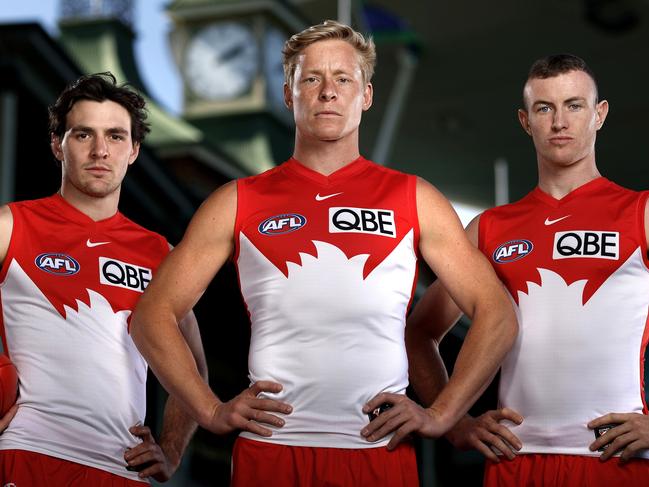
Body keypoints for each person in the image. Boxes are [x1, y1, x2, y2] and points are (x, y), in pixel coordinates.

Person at [130, 20, 517, 487]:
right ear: (289, 94)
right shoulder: (237, 200)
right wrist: (211, 410)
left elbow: (497, 313)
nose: (327, 92)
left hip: (377, 452)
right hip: (272, 452)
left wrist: (445, 416)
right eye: (311, 79)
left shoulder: (414, 198)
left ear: (366, 95)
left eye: (343, 79)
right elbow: (152, 314)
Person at [407, 53, 649, 486]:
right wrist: (456, 423)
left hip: (616, 460)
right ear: (525, 120)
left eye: (574, 105)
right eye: (544, 108)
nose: (560, 121)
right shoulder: (489, 229)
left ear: (600, 115)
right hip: (515, 462)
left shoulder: (640, 212)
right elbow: (420, 333)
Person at [0, 72, 208, 485]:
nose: (100, 151)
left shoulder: (159, 254)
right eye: (83, 135)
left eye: (115, 136)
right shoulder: (11, 225)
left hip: (121, 468)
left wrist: (170, 451)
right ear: (58, 144)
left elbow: (194, 370)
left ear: (133, 150)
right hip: (32, 453)